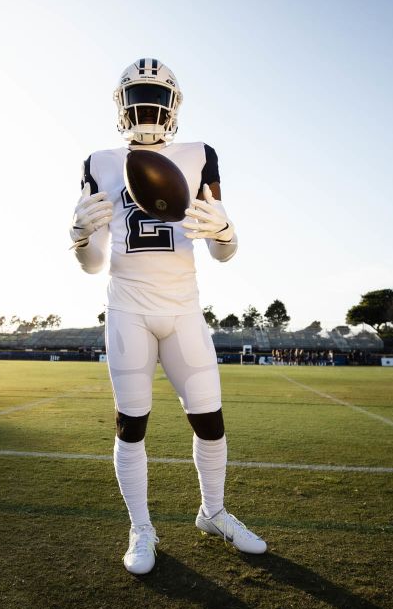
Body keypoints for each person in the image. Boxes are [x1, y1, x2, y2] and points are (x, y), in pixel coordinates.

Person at [69, 58, 267, 575]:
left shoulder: (200, 154)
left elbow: (222, 252)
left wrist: (227, 233)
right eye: (138, 95)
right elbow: (92, 265)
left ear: (174, 104)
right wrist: (78, 238)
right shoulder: (99, 160)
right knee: (131, 423)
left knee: (210, 419)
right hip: (128, 306)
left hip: (183, 306)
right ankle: (141, 526)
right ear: (121, 103)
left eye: (156, 95)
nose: (147, 106)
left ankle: (213, 512)